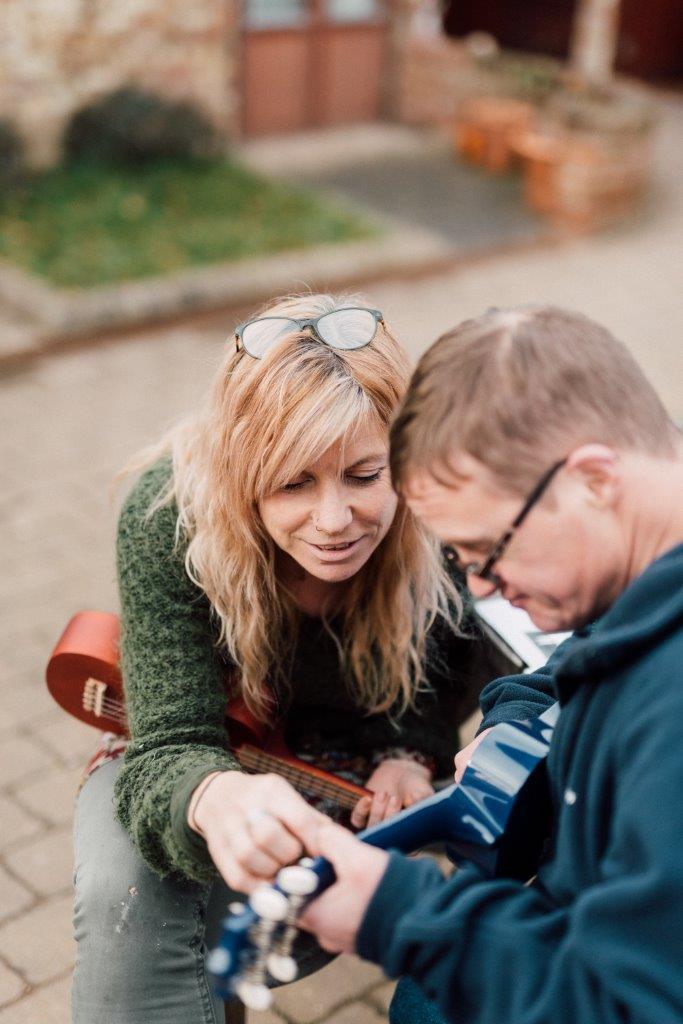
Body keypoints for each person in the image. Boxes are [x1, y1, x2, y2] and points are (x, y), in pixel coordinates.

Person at [71, 294, 512, 1024]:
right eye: (293, 483)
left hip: (342, 767)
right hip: (205, 739)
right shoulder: (168, 516)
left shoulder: (439, 503)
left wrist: (413, 754)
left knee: (225, 927)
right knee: (125, 892)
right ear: (239, 473)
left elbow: (450, 671)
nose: (335, 521)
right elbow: (170, 742)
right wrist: (211, 796)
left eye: (366, 476)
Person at [298, 305, 683, 1024]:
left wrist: (400, 916)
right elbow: (589, 655)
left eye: (485, 552)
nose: (477, 588)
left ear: (594, 479)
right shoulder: (646, 545)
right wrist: (518, 717)